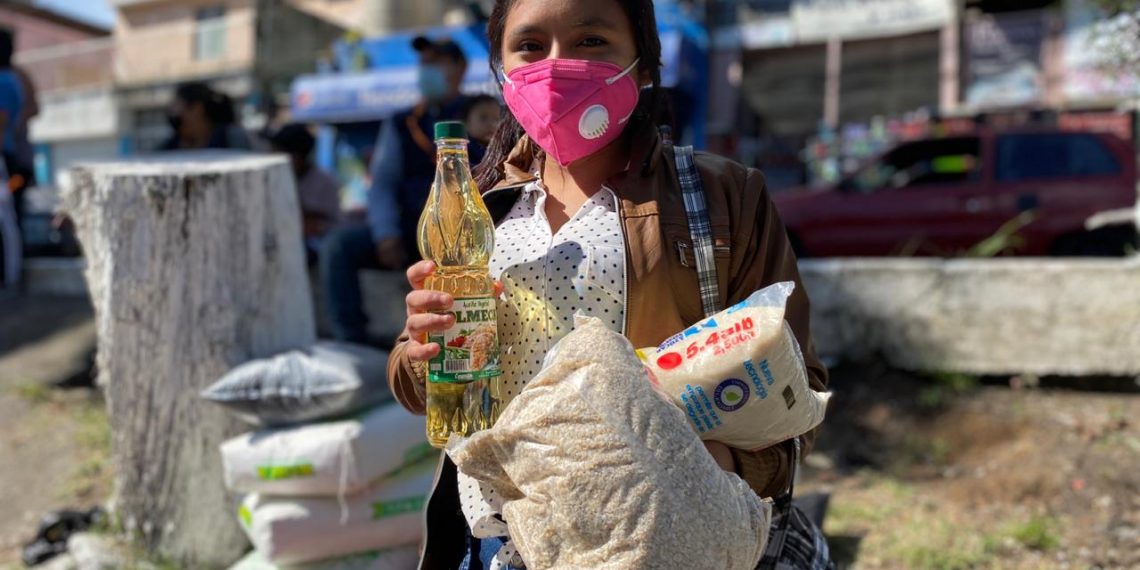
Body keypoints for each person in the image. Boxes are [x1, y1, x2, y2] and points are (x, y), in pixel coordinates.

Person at [386, 1, 832, 568]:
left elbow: (797, 391)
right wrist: (421, 352)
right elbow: (420, 385)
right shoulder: (477, 207)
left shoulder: (721, 196)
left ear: (643, 64)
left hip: (651, 536)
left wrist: (710, 471)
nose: (556, 66)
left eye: (591, 41)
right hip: (497, 540)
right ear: (501, 70)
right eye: (529, 46)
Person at [320, 36, 477, 346]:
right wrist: (386, 233)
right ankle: (352, 339)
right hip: (411, 232)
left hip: (463, 236)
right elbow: (383, 183)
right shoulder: (404, 122)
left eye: (436, 63)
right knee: (339, 246)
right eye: (424, 65)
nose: (427, 71)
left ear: (460, 67)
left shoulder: (480, 112)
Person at [269, 123, 342, 261]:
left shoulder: (324, 182)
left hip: (319, 250)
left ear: (297, 157)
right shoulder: (274, 181)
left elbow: (319, 225)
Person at [158, 81, 252, 151]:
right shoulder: (168, 149)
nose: (172, 113)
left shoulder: (232, 139)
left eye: (176, 106)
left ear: (197, 109)